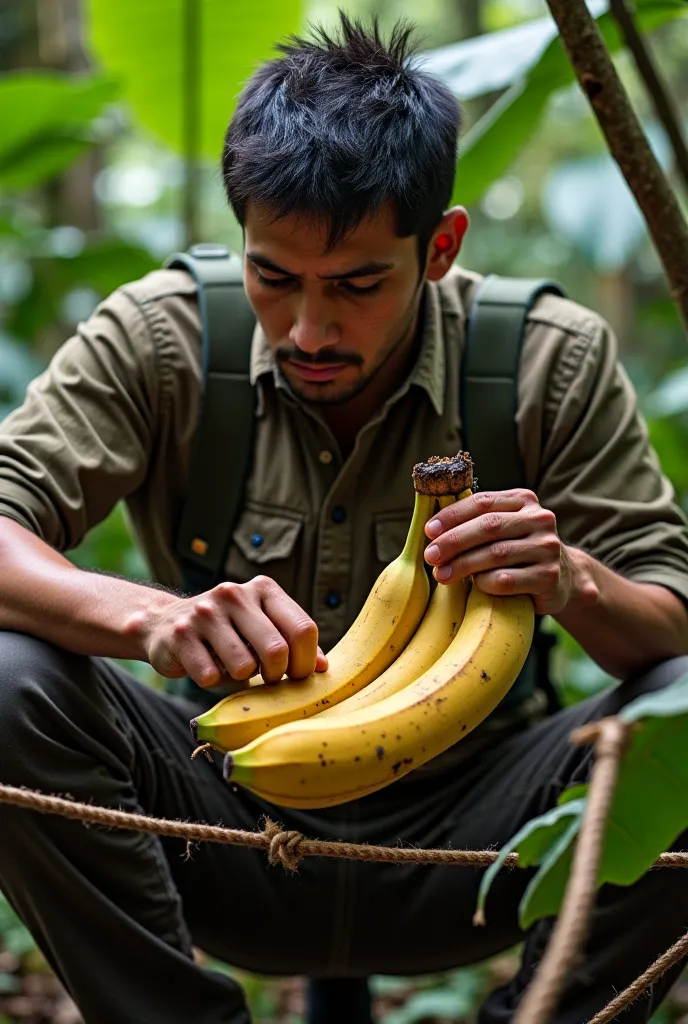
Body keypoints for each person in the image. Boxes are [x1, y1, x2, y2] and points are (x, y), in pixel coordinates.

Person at [1, 13, 687, 1024]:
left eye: (358, 284)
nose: (309, 328)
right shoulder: (161, 338)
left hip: (474, 849)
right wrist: (148, 617)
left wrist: (571, 579)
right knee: (8, 679)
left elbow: (670, 625)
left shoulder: (549, 358)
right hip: (220, 824)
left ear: (439, 246)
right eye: (273, 277)